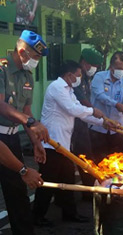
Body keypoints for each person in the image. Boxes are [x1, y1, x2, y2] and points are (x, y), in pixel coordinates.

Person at [32, 60, 107, 225]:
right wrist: (93, 110)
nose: (80, 78)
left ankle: (70, 214)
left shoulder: (69, 90)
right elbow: (73, 109)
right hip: (51, 143)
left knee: (66, 181)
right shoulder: (57, 88)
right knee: (47, 183)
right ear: (69, 75)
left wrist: (103, 122)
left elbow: (80, 113)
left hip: (63, 145)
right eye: (78, 75)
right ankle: (37, 217)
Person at [0, 29, 48, 235]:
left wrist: (36, 141)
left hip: (12, 138)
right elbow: (1, 106)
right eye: (35, 56)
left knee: (18, 194)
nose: (36, 61)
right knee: (21, 175)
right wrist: (30, 121)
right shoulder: (1, 70)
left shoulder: (27, 75)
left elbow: (26, 111)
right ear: (22, 52)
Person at [89, 51, 123, 164]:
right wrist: (115, 104)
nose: (120, 71)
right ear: (111, 67)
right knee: (99, 162)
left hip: (117, 129)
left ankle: (115, 181)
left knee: (118, 162)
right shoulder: (99, 77)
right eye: (118, 68)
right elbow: (99, 95)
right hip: (98, 127)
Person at [71, 48, 103, 200]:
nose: (94, 69)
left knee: (85, 156)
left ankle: (87, 191)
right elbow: (82, 100)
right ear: (84, 62)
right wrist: (95, 112)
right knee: (82, 157)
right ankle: (86, 193)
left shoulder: (85, 78)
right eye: (93, 65)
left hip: (83, 121)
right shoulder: (75, 78)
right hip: (73, 124)